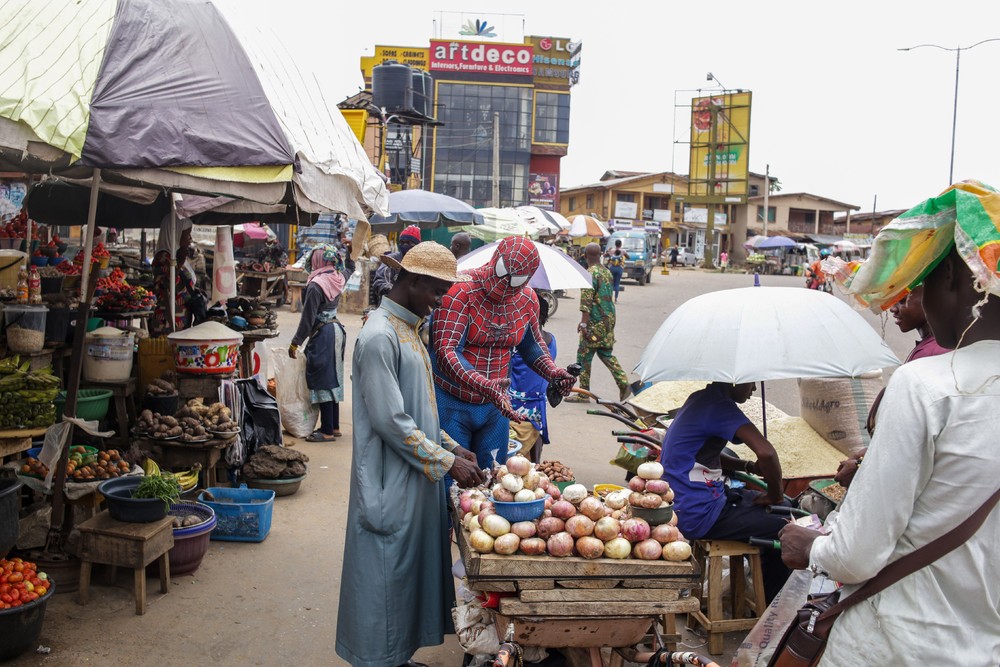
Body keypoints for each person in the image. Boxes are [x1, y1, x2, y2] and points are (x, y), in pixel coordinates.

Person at [780, 246, 1000, 664]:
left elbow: (856, 556)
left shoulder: (927, 384)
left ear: (950, 274)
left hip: (896, 642)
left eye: (922, 283)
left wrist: (810, 547)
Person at [336, 242, 485, 667]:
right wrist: (446, 462)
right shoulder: (379, 335)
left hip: (414, 476)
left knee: (404, 576)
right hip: (389, 479)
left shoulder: (410, 330)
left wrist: (453, 446)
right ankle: (377, 659)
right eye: (436, 292)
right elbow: (391, 421)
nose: (439, 303)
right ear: (412, 281)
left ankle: (395, 657)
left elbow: (418, 409)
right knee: (385, 574)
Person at [431, 236, 576, 469]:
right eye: (502, 271)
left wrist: (554, 374)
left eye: (516, 279)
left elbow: (532, 347)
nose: (504, 283)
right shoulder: (460, 290)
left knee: (495, 478)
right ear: (495, 258)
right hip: (452, 402)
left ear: (528, 278)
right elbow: (446, 351)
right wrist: (485, 384)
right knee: (451, 479)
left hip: (496, 407)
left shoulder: (527, 300)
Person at [661, 381, 789, 602]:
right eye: (751, 383)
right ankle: (772, 608)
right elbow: (767, 453)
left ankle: (759, 593)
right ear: (733, 380)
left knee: (785, 506)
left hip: (685, 502)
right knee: (786, 525)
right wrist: (775, 495)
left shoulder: (701, 398)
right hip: (697, 513)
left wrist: (747, 466)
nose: (754, 390)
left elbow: (703, 454)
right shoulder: (719, 406)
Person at [837, 284, 950, 486]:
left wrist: (863, 465)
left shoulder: (931, 354)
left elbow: (907, 439)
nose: (892, 308)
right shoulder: (931, 346)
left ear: (931, 297)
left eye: (901, 300)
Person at [288, 245, 348, 442]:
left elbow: (307, 320)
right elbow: (351, 267)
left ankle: (327, 430)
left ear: (316, 261)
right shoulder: (338, 277)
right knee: (333, 378)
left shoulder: (316, 285)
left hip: (323, 334)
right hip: (336, 331)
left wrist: (295, 343)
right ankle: (335, 426)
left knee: (323, 380)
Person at [566, 243, 629, 402]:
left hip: (595, 322)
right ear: (600, 255)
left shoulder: (589, 274)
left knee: (583, 357)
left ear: (585, 256)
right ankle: (623, 383)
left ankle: (583, 393)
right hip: (608, 321)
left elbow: (586, 302)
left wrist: (584, 324)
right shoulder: (606, 272)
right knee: (605, 353)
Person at [509, 297, 556, 463]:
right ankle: (535, 466)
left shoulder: (520, 342)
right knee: (536, 438)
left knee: (513, 452)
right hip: (537, 404)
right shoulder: (551, 340)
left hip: (515, 403)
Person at [150, 216, 207, 337]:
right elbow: (166, 289)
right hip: (167, 323)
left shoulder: (175, 257)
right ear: (175, 233)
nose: (190, 238)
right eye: (188, 234)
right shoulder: (163, 258)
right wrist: (179, 263)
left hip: (180, 322)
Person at [372, 224, 421, 303]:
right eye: (402, 242)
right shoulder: (391, 260)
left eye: (409, 243)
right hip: (390, 305)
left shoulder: (421, 263)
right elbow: (379, 281)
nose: (405, 245)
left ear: (417, 245)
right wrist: (392, 289)